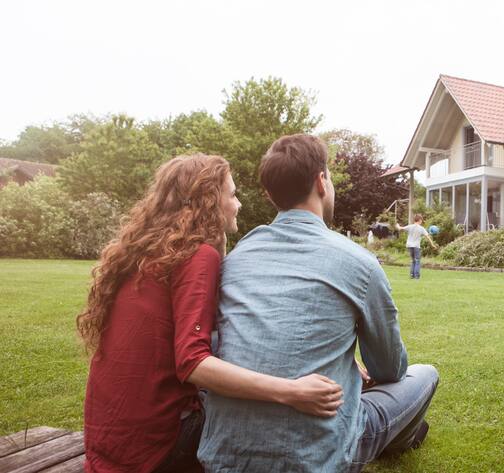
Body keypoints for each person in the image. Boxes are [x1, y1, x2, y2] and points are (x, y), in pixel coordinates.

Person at [79, 154, 344, 473]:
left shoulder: (147, 252)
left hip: (109, 443)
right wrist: (292, 392)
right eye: (232, 195)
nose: (239, 204)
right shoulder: (196, 256)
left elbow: (224, 320)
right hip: (156, 450)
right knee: (260, 417)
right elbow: (193, 364)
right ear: (209, 202)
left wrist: (219, 244)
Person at [199, 134, 439, 472]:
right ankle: (401, 437)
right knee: (424, 375)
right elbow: (389, 369)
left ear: (270, 195)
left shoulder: (238, 258)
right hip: (316, 457)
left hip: (224, 455)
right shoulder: (358, 262)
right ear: (321, 182)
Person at [395, 214, 438, 279]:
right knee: (417, 260)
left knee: (413, 260)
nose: (422, 221)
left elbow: (400, 228)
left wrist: (397, 225)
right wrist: (432, 245)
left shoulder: (410, 226)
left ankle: (412, 275)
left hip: (409, 245)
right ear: (420, 220)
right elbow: (428, 237)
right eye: (421, 220)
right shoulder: (421, 228)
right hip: (416, 246)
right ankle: (417, 276)